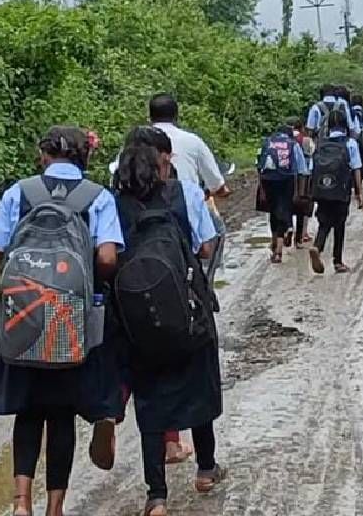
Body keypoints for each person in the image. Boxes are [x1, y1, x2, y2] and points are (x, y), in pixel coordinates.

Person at [0, 127, 123, 516]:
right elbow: (108, 259)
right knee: (61, 414)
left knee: (28, 410)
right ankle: (55, 507)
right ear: (85, 157)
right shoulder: (99, 198)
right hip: (71, 320)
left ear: (44, 155)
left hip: (21, 316)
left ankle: (20, 502)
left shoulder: (20, 193)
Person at [113, 127, 227, 516]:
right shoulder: (185, 194)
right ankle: (207, 469)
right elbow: (207, 244)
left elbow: (107, 257)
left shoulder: (113, 204)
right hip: (187, 308)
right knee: (199, 384)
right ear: (163, 161)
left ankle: (156, 495)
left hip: (138, 318)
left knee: (150, 400)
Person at [146, 94, 226, 463]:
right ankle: (206, 466)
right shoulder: (191, 146)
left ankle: (163, 446)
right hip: (185, 263)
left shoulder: (127, 159)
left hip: (141, 279)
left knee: (151, 360)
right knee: (195, 354)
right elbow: (218, 188)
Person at [309, 108, 363, 274]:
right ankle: (337, 261)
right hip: (341, 191)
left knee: (324, 222)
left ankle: (317, 247)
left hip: (322, 190)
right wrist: (359, 194)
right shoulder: (350, 143)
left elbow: (312, 169)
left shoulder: (321, 144)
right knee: (339, 225)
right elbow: (356, 169)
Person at [256, 122, 308, 263]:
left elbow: (259, 165)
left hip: (268, 180)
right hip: (286, 179)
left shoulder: (267, 142)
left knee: (273, 211)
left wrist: (261, 189)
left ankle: (274, 244)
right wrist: (300, 192)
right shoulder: (293, 144)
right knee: (283, 209)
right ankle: (279, 250)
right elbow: (302, 170)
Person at [287, 117, 315, 248]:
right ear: (301, 127)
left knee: (286, 204)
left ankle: (287, 228)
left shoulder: (283, 141)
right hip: (304, 176)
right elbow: (312, 154)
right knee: (304, 206)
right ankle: (302, 234)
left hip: (287, 177)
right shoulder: (306, 140)